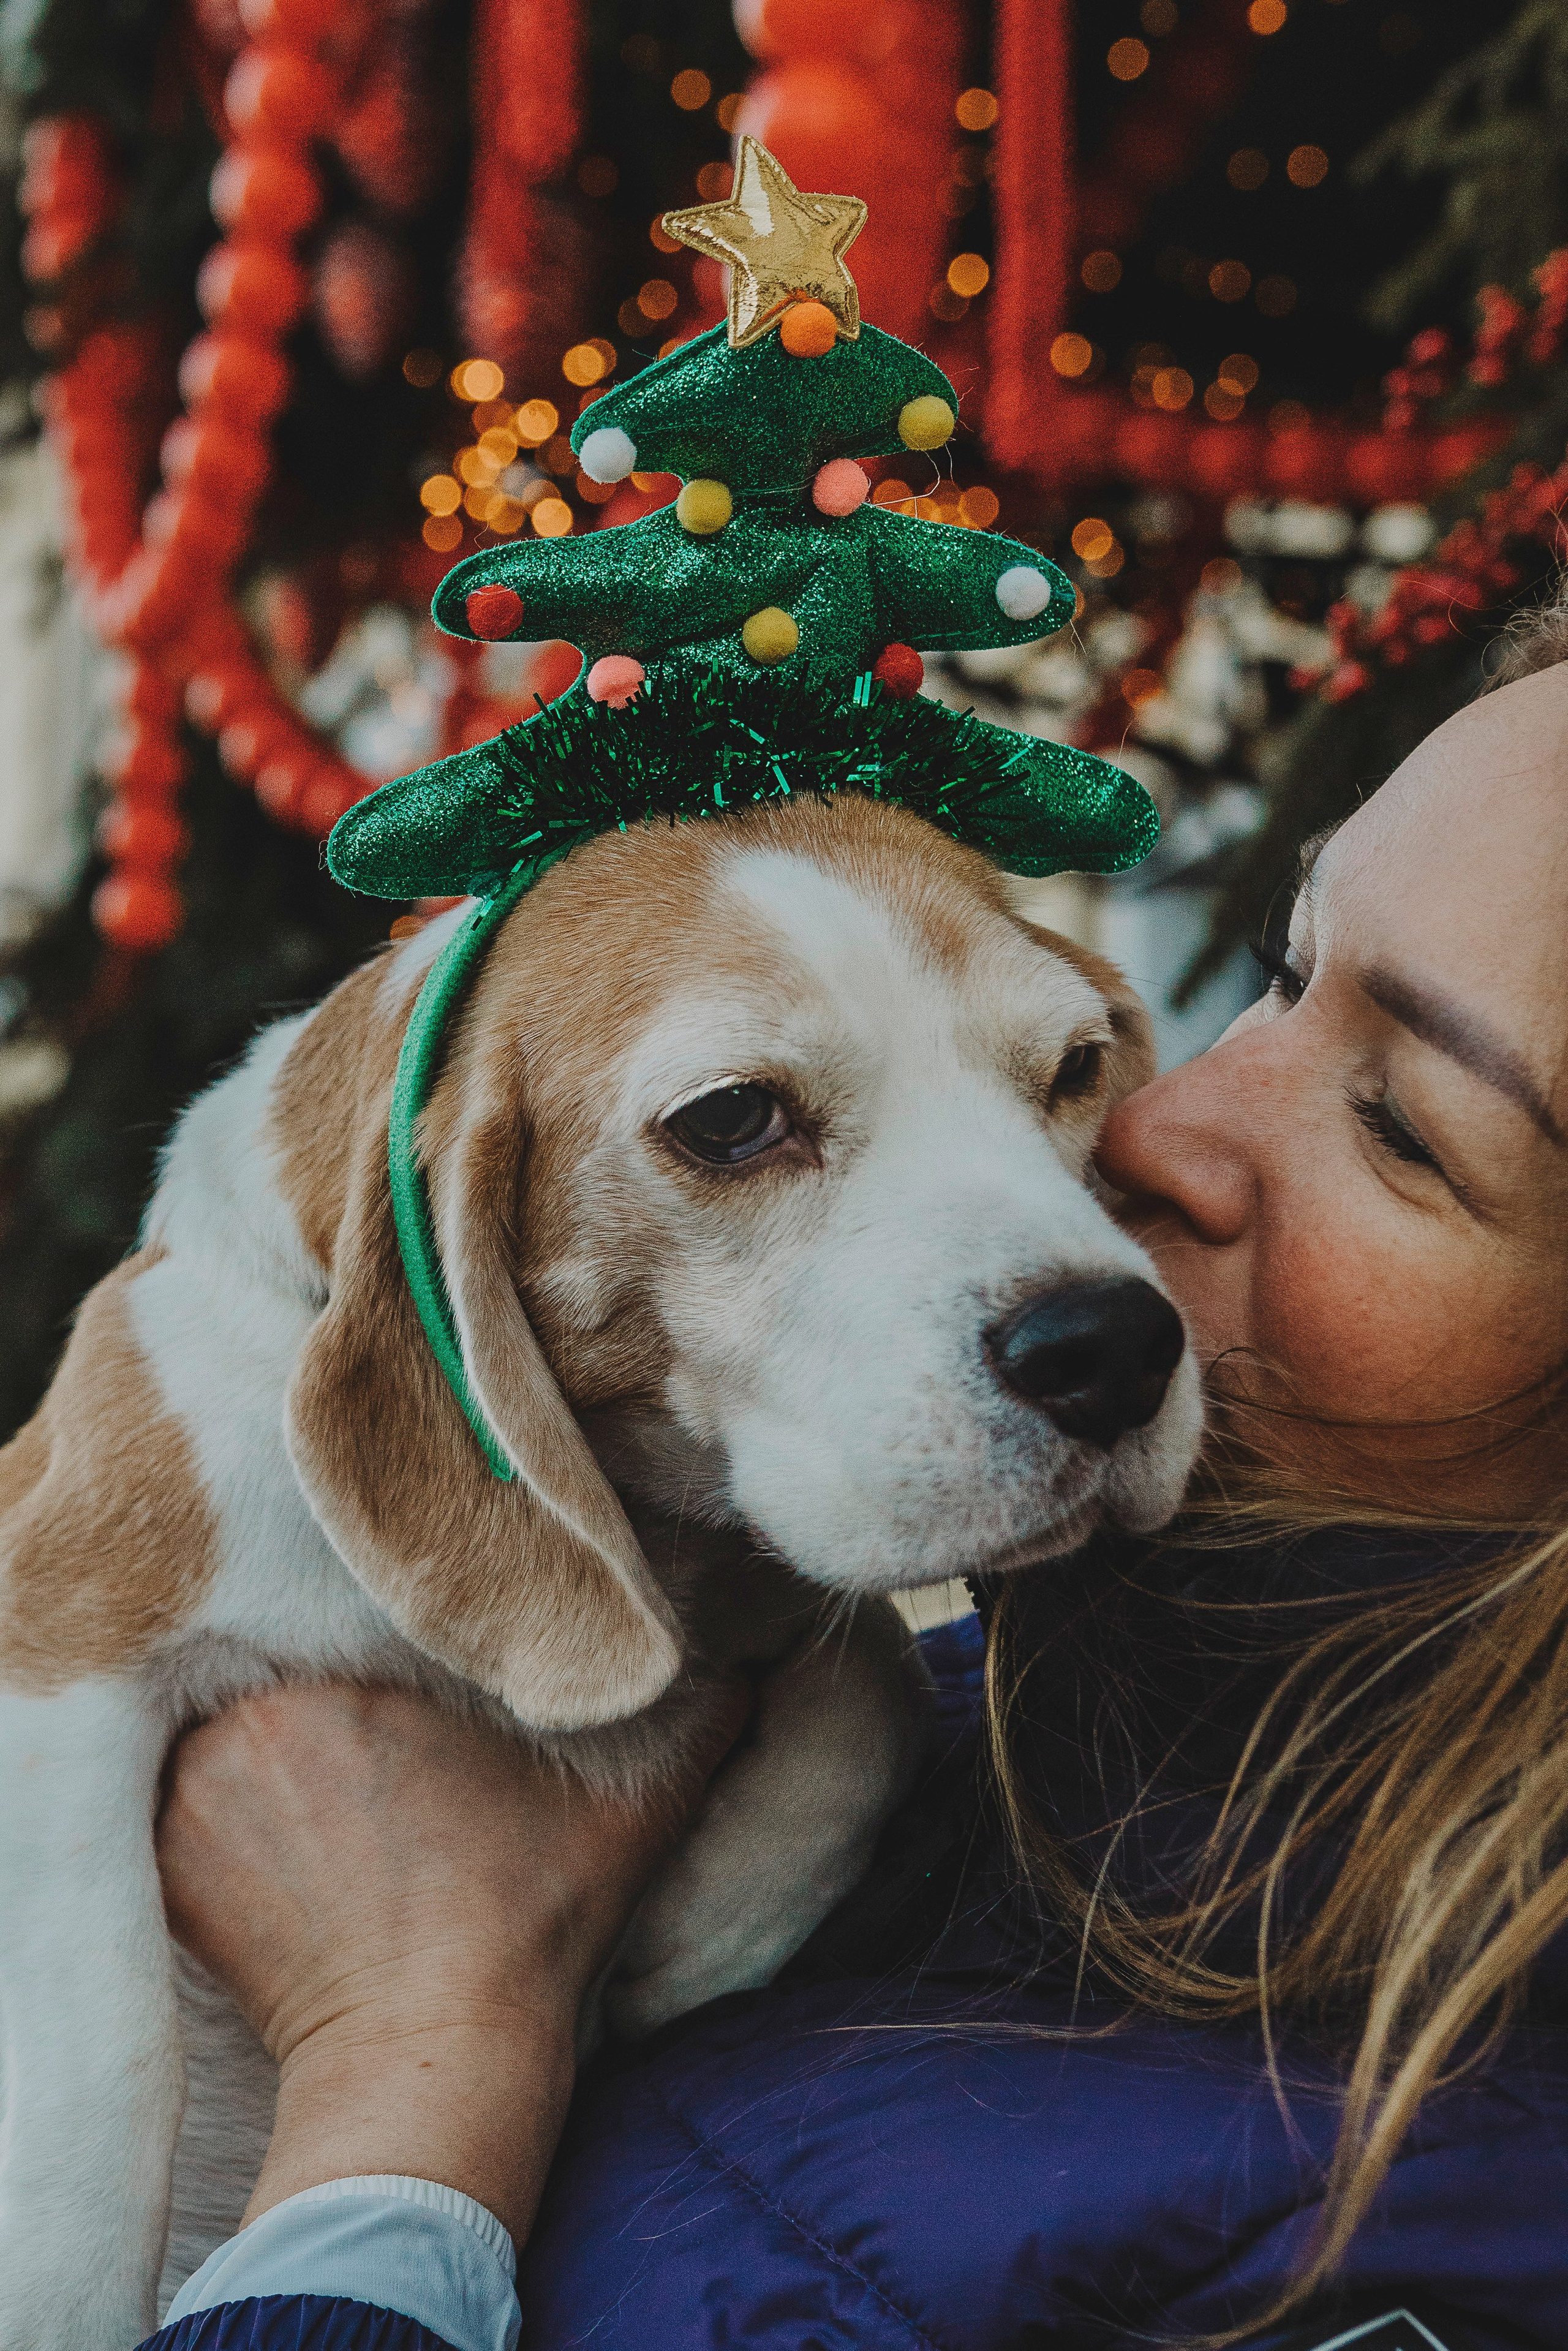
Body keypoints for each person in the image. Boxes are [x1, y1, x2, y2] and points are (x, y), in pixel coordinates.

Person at [146, 613, 1568, 2351]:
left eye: (1404, 1123)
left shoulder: (1434, 2253)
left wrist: (405, 2074)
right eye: (1284, 968)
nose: (1152, 1125)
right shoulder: (988, 1730)